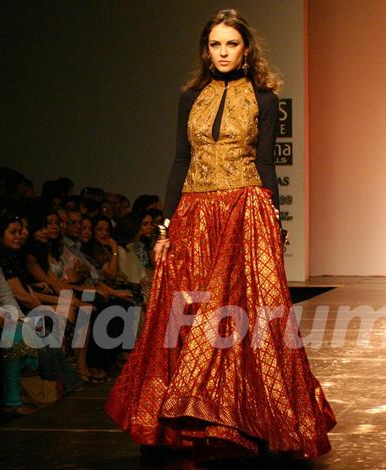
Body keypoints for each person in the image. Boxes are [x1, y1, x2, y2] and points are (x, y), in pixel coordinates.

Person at [105, 9, 335, 460]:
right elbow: (178, 161)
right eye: (215, 44)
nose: (223, 52)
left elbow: (266, 162)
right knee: (188, 311)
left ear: (246, 49)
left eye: (231, 44)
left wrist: (275, 220)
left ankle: (242, 416)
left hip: (244, 209)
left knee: (242, 314)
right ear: (206, 50)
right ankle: (189, 419)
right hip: (193, 211)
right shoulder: (191, 97)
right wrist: (166, 226)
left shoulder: (265, 99)